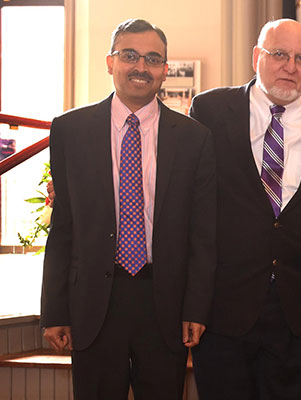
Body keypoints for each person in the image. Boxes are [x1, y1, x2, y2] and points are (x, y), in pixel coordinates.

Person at [40, 18, 216, 399]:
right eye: (130, 56)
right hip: (94, 304)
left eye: (153, 59)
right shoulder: (70, 131)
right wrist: (54, 311)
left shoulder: (194, 139)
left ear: (165, 70)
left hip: (164, 303)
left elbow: (203, 234)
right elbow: (64, 226)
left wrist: (197, 308)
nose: (141, 67)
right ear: (110, 62)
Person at [188, 19, 301, 399]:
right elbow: (192, 214)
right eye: (280, 54)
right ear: (256, 56)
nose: (291, 67)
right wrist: (192, 303)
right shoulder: (211, 110)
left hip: (299, 315)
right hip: (224, 310)